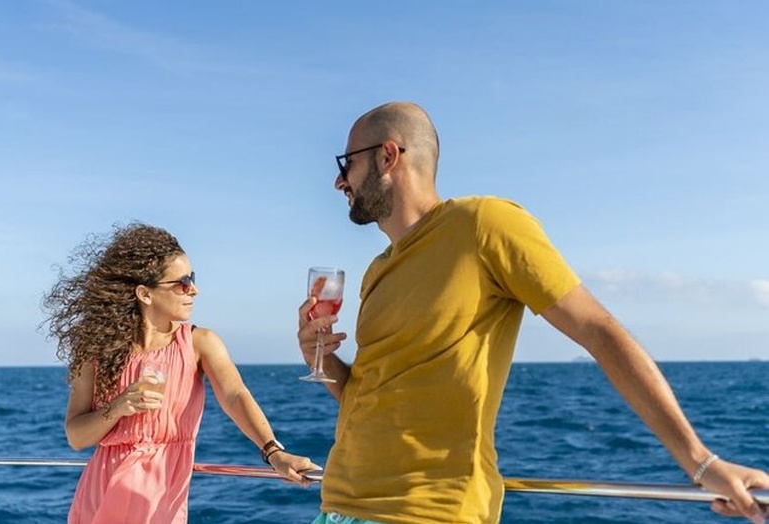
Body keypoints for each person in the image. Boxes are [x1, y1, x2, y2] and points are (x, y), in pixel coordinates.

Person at [297, 101, 769, 524]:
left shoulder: (483, 225)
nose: (341, 180)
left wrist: (700, 462)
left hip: (426, 511)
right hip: (339, 506)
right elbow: (366, 397)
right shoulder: (378, 270)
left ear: (388, 156)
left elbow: (598, 331)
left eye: (348, 163)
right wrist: (320, 358)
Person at [43, 223, 317, 524]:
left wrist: (273, 452)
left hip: (159, 499)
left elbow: (235, 395)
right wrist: (117, 408)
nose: (194, 290)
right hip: (100, 493)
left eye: (193, 279)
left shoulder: (201, 343)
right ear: (144, 294)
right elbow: (76, 436)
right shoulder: (98, 353)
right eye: (182, 283)